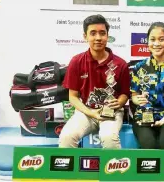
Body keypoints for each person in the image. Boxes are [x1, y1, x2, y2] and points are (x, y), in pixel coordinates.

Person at [59, 14, 130, 148]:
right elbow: (72, 97)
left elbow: (125, 94)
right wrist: (91, 112)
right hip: (86, 112)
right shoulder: (76, 62)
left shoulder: (121, 64)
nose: (98, 38)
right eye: (93, 33)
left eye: (102, 33)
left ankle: (115, 167)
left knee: (109, 138)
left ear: (107, 36)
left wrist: (119, 102)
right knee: (67, 137)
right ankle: (68, 169)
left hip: (112, 112)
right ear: (85, 36)